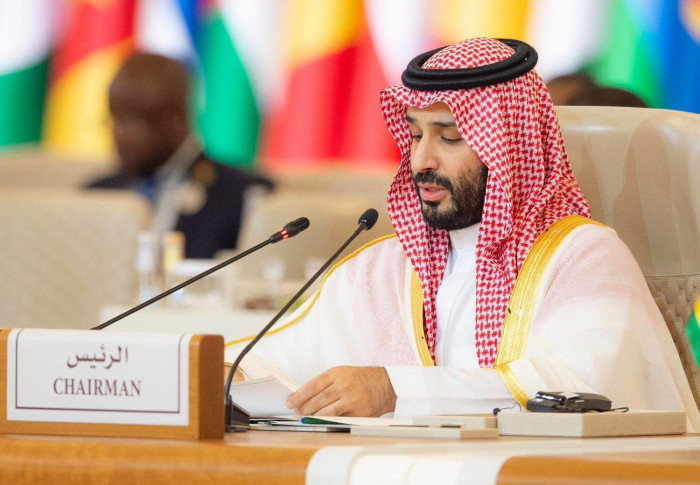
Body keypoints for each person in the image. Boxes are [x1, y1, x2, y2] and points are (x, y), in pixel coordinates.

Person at [225, 38, 700, 430]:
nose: (420, 161)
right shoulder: (385, 267)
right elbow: (282, 359)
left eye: (449, 137)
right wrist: (229, 375)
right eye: (415, 135)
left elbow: (580, 390)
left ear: (508, 145)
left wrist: (396, 390)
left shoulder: (585, 257)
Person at [87, 53, 273, 259]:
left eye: (133, 123)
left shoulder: (241, 196)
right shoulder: (96, 196)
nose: (119, 135)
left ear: (176, 120)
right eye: (114, 121)